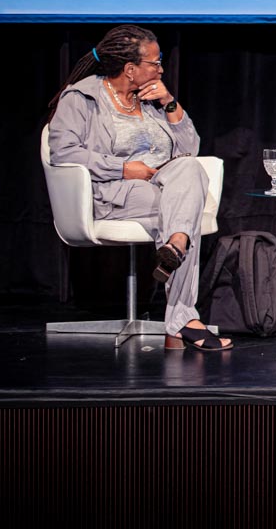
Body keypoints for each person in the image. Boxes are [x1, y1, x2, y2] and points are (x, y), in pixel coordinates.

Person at [45, 25, 232, 351]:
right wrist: (122, 168)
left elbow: (190, 150)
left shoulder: (151, 101)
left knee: (190, 170)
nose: (161, 70)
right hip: (112, 192)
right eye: (155, 63)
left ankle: (175, 246)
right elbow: (63, 152)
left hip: (163, 184)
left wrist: (170, 102)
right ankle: (182, 320)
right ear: (130, 69)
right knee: (180, 207)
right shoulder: (81, 98)